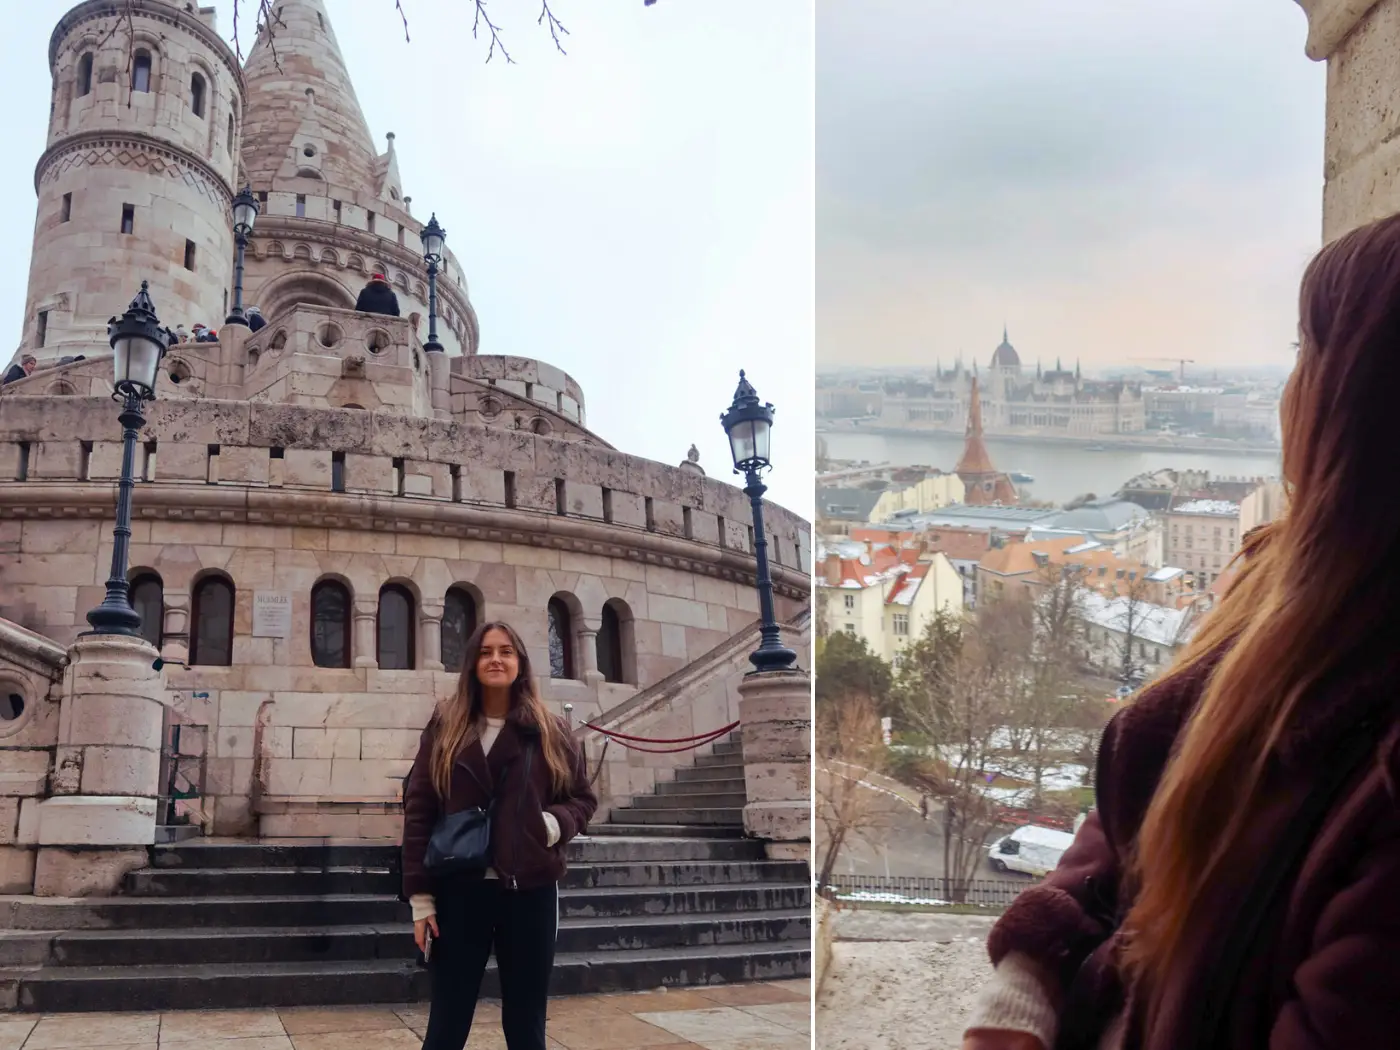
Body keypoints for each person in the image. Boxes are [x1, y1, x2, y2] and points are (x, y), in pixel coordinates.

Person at [963, 212, 1400, 1049]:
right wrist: (1027, 986)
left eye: (1307, 352)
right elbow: (1151, 786)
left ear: (1364, 405)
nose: (1285, 394)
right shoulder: (1271, 588)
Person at [401, 621, 597, 1050]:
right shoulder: (445, 725)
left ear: (520, 663)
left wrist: (552, 825)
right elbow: (419, 811)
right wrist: (420, 900)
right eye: (486, 651)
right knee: (447, 1024)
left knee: (527, 1024)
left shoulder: (550, 730)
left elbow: (582, 799)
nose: (496, 659)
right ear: (472, 663)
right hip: (460, 892)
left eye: (506, 651)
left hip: (529, 892)